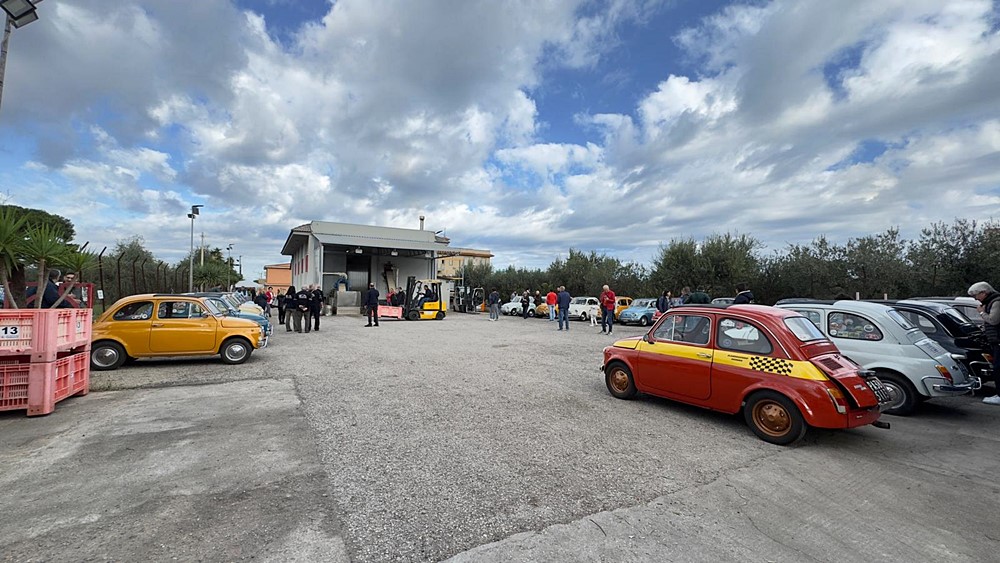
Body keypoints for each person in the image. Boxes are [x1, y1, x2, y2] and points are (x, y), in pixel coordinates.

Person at [969, 282, 1000, 405]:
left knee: (998, 368)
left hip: (998, 341)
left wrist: (982, 312)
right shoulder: (992, 301)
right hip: (996, 340)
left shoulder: (996, 302)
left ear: (984, 292)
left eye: (976, 295)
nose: (976, 298)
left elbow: (994, 320)